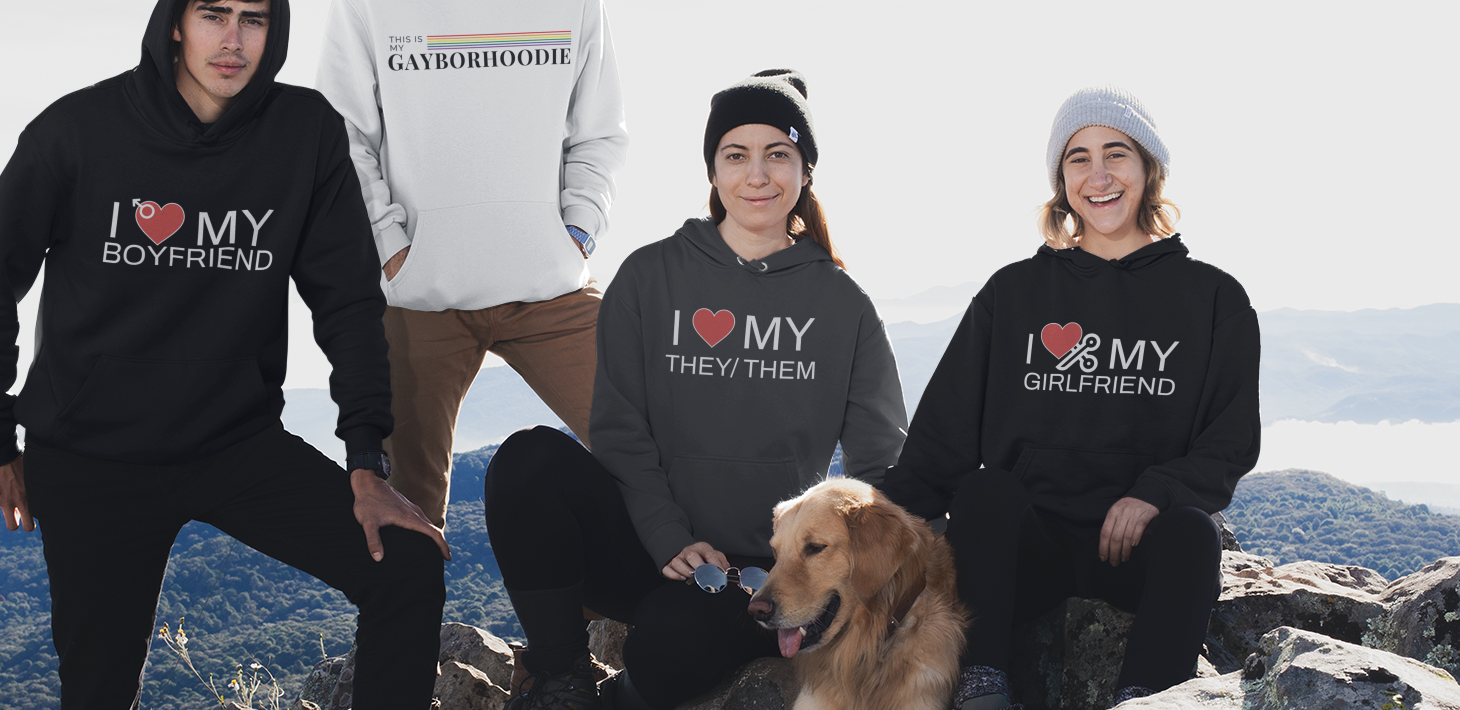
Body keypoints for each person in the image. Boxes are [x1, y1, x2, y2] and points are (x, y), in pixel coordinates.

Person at [0, 0, 450, 709]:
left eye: (254, 18)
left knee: (407, 567)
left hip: (233, 442)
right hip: (90, 455)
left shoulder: (304, 134)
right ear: (175, 23)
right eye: (213, 13)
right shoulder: (78, 131)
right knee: (98, 689)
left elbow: (346, 301)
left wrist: (366, 463)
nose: (233, 38)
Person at [484, 71, 909, 710]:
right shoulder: (650, 277)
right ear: (713, 169)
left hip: (760, 572)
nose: (757, 175)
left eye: (778, 155)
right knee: (525, 462)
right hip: (648, 542)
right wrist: (668, 537)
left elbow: (878, 465)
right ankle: (562, 676)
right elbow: (620, 429)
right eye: (736, 155)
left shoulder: (841, 305)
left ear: (804, 172)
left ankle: (621, 696)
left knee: (667, 648)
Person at [882, 87, 1260, 709]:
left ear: (1148, 170)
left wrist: (1154, 492)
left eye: (1117, 154)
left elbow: (1229, 440)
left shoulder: (1213, 299)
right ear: (1061, 180)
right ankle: (982, 688)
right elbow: (938, 444)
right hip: (1030, 553)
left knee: (1192, 535)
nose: (1099, 175)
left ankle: (1146, 698)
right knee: (983, 493)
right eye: (1078, 158)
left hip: (1140, 553)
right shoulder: (1015, 294)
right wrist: (854, 532)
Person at [315, 0, 628, 530]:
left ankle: (651, 622)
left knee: (652, 452)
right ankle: (408, 647)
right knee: (407, 510)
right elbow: (341, 137)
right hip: (420, 297)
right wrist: (392, 247)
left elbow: (599, 130)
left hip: (550, 290)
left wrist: (577, 232)